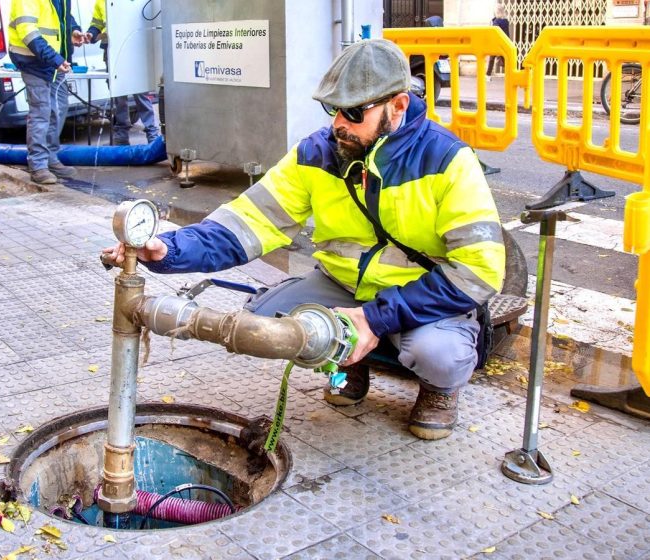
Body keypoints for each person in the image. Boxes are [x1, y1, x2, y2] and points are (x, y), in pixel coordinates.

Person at [103, 39, 506, 440]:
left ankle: (439, 390)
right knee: (268, 324)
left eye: (352, 111)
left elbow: (480, 272)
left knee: (437, 354)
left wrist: (375, 318)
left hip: (422, 296)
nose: (338, 124)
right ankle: (349, 361)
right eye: (332, 109)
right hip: (344, 285)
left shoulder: (448, 160)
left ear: (397, 106)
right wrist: (169, 249)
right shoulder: (317, 153)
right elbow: (248, 222)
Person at [9, 0, 85, 185]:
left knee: (57, 110)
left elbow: (62, 18)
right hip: (34, 64)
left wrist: (73, 30)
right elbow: (27, 31)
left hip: (54, 64)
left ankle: (50, 158)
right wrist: (54, 58)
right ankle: (38, 166)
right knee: (42, 112)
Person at [83, 0, 160, 146]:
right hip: (112, 50)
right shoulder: (102, 1)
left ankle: (152, 133)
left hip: (134, 46)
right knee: (118, 94)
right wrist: (91, 34)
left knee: (140, 90)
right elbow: (97, 24)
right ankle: (121, 134)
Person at [486, 4, 510, 81]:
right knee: (505, 59)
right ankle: (510, 74)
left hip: (496, 42)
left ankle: (488, 75)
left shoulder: (496, 21)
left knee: (492, 59)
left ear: (496, 12)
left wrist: (493, 21)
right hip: (504, 42)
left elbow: (494, 30)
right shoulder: (506, 21)